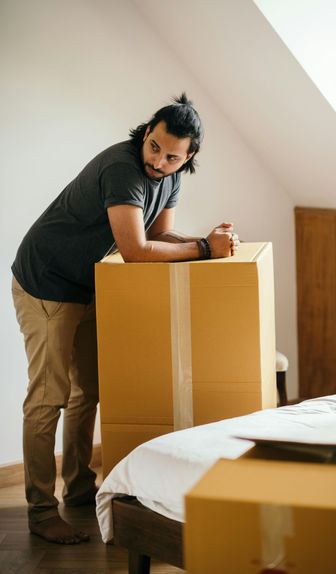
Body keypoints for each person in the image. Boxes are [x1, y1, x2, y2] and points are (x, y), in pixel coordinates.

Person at [11, 93, 239, 545]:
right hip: (46, 283)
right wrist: (206, 250)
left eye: (172, 155)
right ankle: (39, 511)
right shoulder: (123, 168)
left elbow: (159, 236)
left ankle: (77, 490)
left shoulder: (170, 178)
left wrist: (208, 240)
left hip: (88, 286)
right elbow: (136, 253)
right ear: (146, 133)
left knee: (88, 391)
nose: (158, 160)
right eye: (153, 146)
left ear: (188, 157)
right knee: (47, 399)